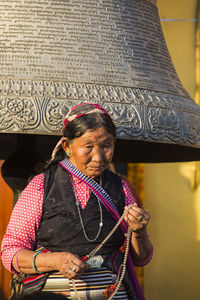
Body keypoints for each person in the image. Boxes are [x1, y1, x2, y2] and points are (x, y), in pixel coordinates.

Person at [1, 103, 153, 300]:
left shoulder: (121, 189)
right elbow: (10, 252)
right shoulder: (41, 186)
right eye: (88, 147)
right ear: (67, 146)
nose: (98, 157)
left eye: (107, 146)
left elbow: (141, 258)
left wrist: (139, 232)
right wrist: (56, 261)